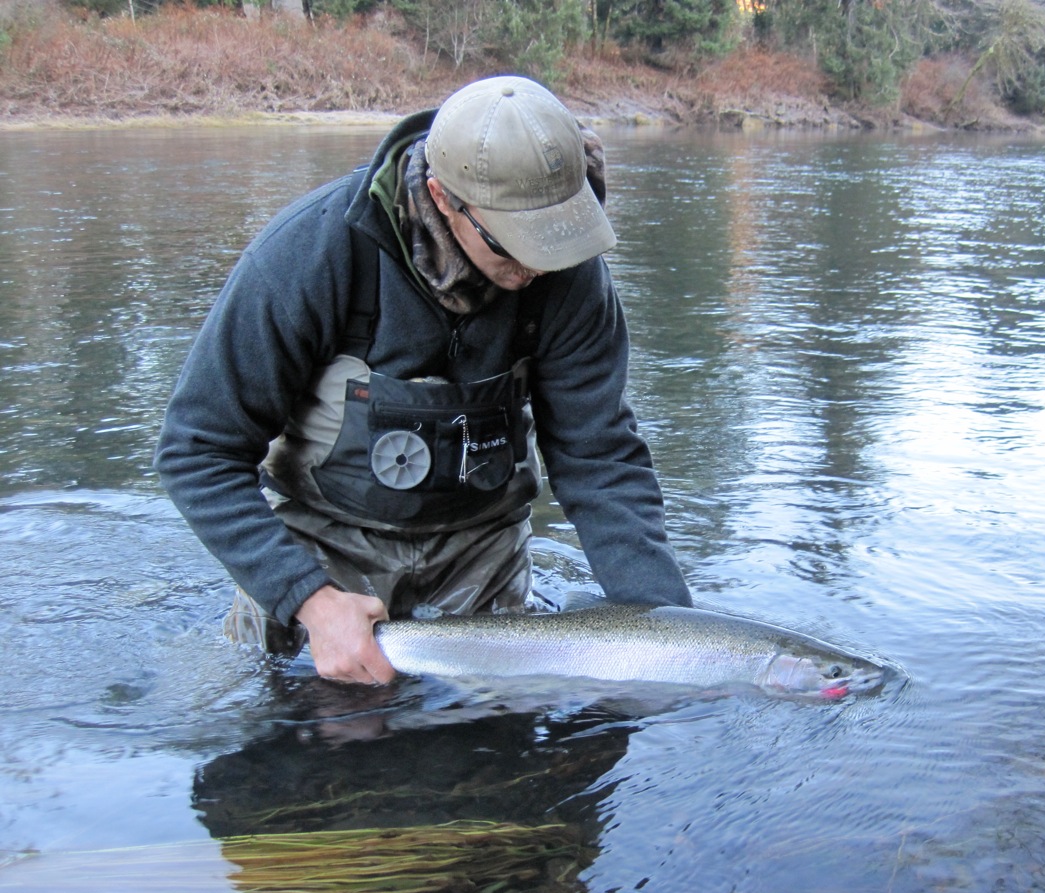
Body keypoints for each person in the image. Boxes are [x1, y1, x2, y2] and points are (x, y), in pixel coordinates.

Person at [155, 75, 691, 685]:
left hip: (482, 558)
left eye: (553, 243)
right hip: (321, 554)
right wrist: (308, 597)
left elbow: (599, 458)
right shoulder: (309, 255)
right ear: (441, 196)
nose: (535, 267)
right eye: (509, 245)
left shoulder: (566, 273)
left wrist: (664, 627)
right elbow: (197, 450)